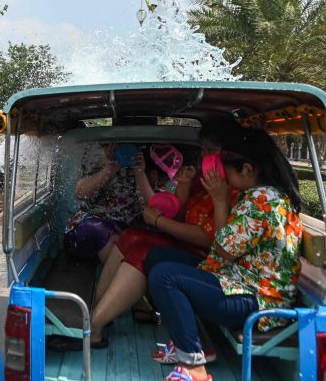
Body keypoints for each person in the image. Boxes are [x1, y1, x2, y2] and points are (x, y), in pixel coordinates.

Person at [147, 128, 303, 381]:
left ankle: (194, 367)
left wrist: (219, 199)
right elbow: (224, 253)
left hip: (258, 301)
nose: (224, 179)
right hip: (238, 281)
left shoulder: (262, 202)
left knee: (165, 276)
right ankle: (197, 344)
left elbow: (220, 250)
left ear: (248, 169)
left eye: (227, 171)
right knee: (158, 257)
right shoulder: (259, 195)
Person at [74, 120, 245, 351]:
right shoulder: (205, 178)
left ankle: (94, 324)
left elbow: (209, 238)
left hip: (210, 257)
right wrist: (184, 185)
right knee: (132, 236)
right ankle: (96, 312)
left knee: (144, 249)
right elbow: (181, 215)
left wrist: (158, 222)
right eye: (203, 151)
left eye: (210, 151)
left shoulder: (232, 188)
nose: (205, 157)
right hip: (193, 247)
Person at [62, 143, 145, 262]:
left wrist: (140, 171)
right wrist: (109, 168)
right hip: (93, 224)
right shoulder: (99, 157)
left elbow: (151, 205)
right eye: (119, 146)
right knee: (99, 229)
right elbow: (80, 193)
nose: (125, 153)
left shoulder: (146, 160)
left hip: (126, 225)